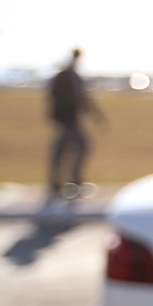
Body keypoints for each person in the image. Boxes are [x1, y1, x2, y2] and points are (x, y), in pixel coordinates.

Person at [47, 49, 106, 199]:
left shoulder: (66, 75)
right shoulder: (68, 76)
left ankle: (57, 184)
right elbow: (81, 98)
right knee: (81, 146)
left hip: (64, 119)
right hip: (67, 119)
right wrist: (96, 115)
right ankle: (73, 183)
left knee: (61, 150)